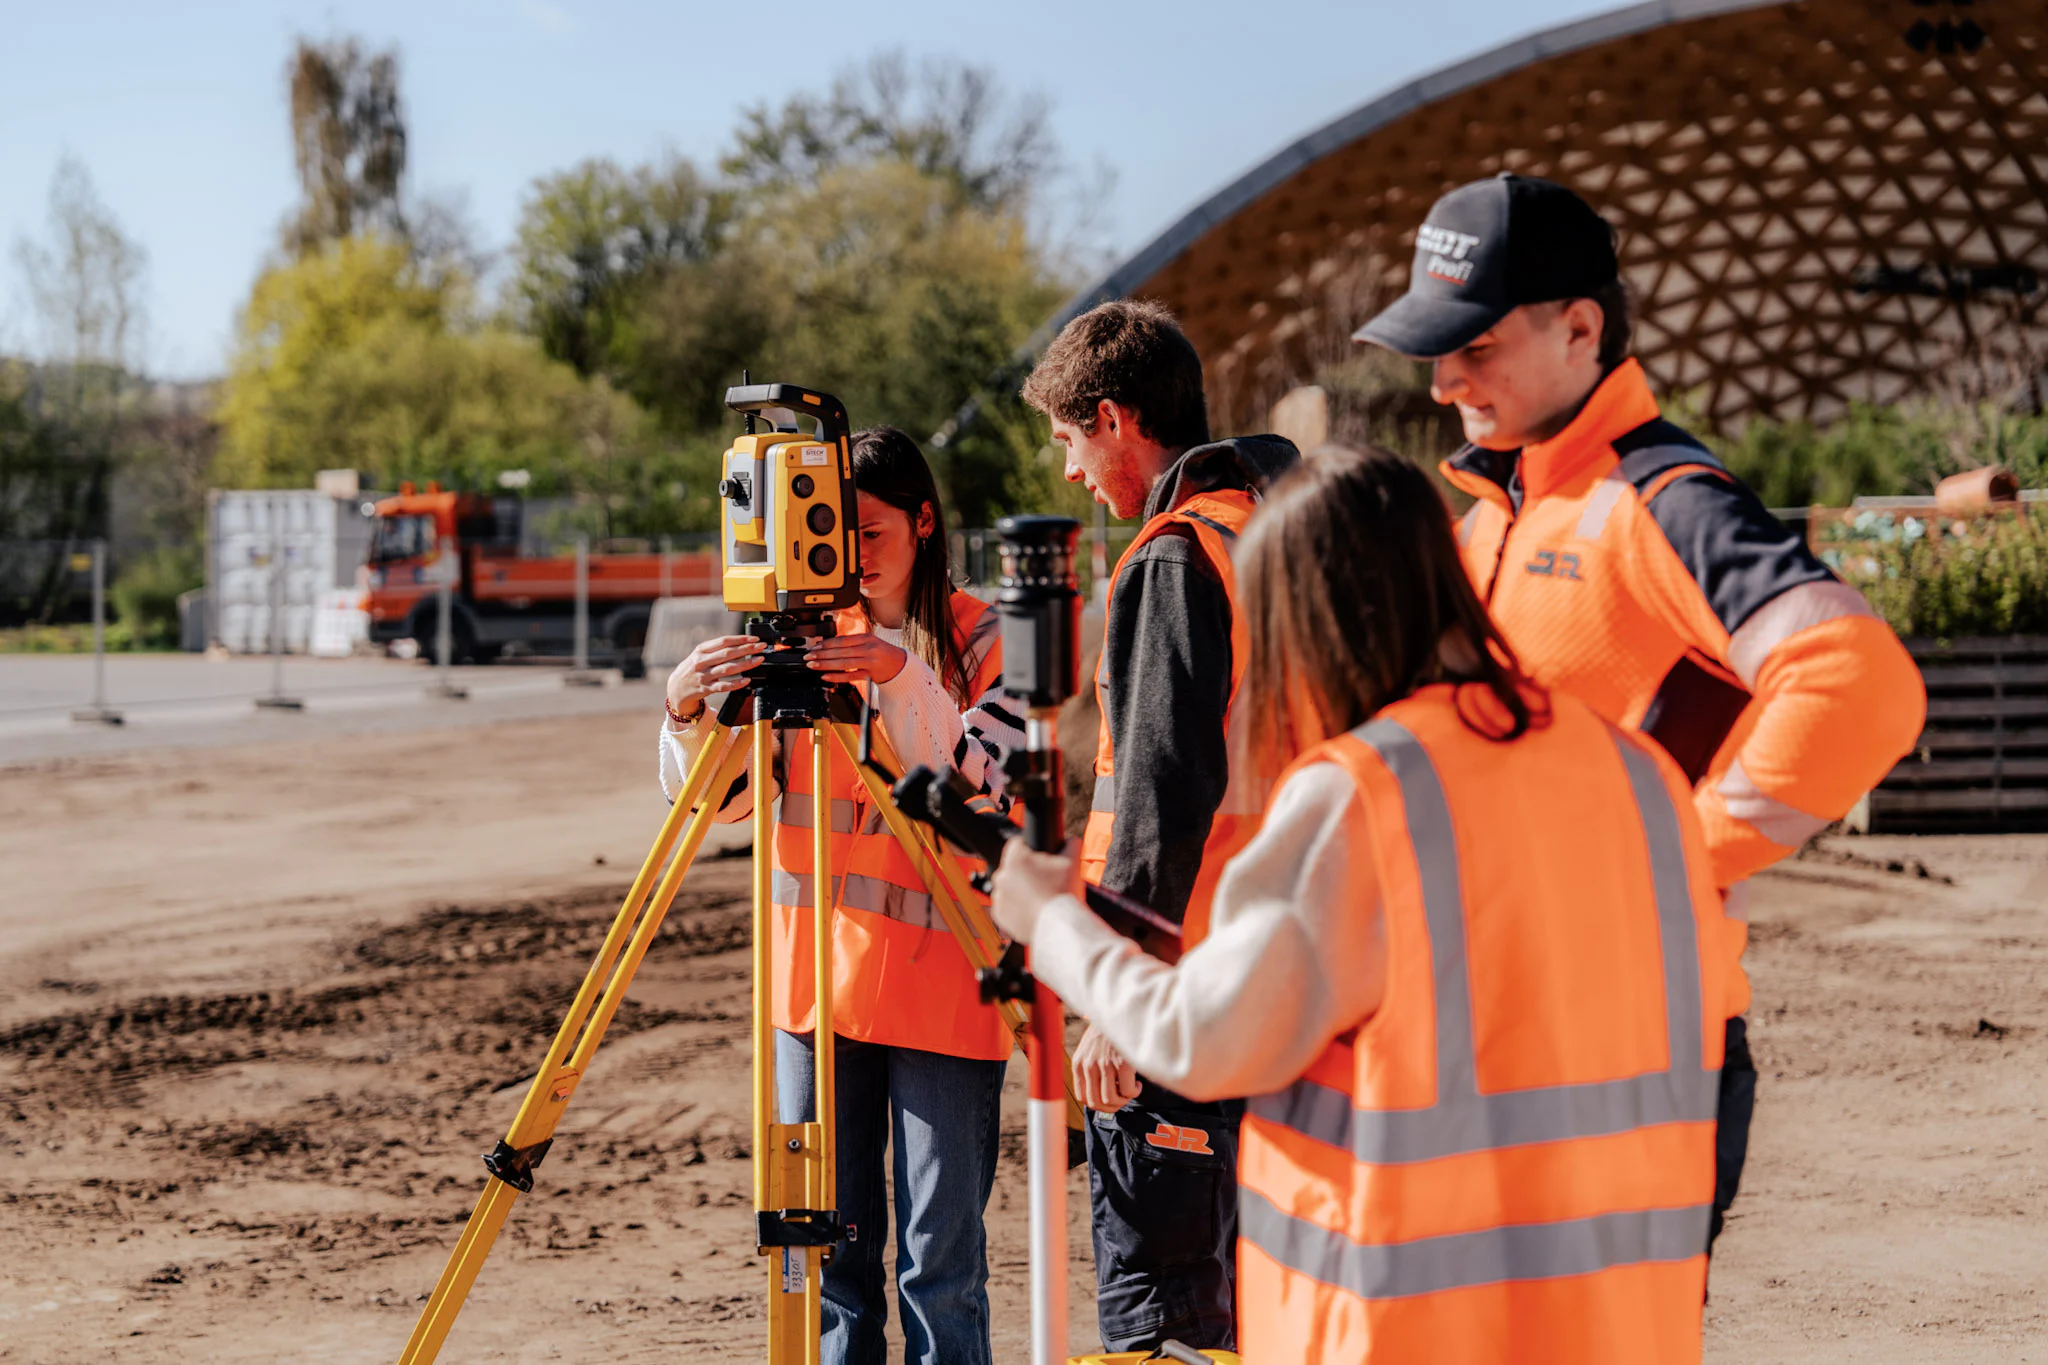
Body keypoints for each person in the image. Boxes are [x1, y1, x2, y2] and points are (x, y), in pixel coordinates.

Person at [991, 446, 1736, 1363]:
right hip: (1620, 1323)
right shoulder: (1636, 773)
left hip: (1420, 1323)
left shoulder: (1366, 793)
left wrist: (1054, 926)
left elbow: (1202, 1035)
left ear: (1315, 619)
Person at [1351, 173, 1927, 1251]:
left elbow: (1860, 683)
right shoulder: (1494, 519)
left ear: (1580, 328)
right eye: (1438, 352)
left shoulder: (1661, 502)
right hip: (1516, 1037)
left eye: (1473, 348)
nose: (1443, 384)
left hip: (1633, 1046)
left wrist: (1666, 858)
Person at [659, 426, 1023, 1365]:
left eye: (872, 533)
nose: (850, 559)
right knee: (830, 1262)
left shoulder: (988, 637)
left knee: (939, 1264)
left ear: (925, 523)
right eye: (831, 535)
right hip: (814, 995)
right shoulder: (811, 643)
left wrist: (902, 681)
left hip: (947, 989)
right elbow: (732, 802)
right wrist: (688, 712)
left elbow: (997, 786)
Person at [1018, 300, 1297, 1353]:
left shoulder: (1175, 559)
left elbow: (1159, 791)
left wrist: (1115, 1001)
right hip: (1290, 970)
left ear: (1111, 418)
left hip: (1186, 990)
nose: (1068, 473)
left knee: (1168, 1313)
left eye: (1066, 441)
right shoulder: (1280, 534)